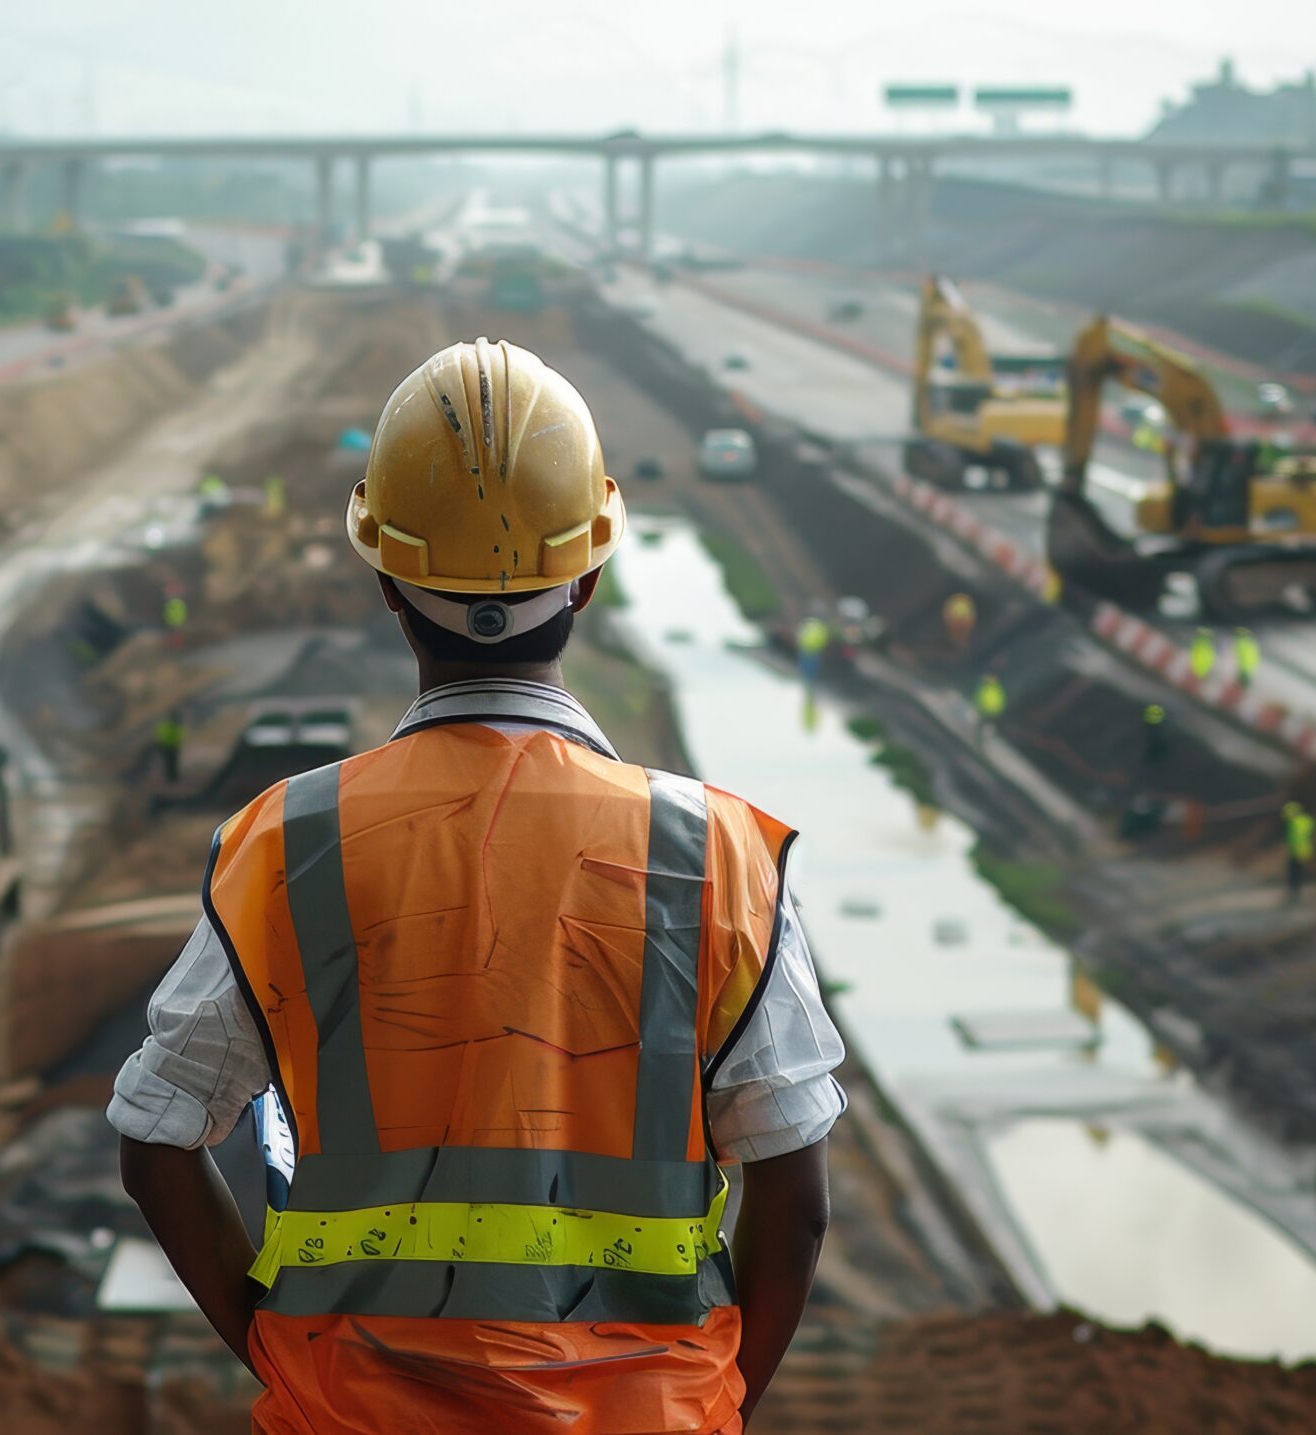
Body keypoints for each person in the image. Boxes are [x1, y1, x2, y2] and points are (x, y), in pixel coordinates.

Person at [110, 339, 845, 1435]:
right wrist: (712, 1401)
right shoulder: (714, 853)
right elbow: (793, 1206)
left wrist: (279, 1353)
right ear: (589, 574)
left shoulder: (284, 843)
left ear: (386, 585)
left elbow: (155, 1139)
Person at [1282, 800, 1315, 900]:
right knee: (1301, 872)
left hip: (1296, 852)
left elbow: (1292, 839)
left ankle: (1295, 892)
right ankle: (1301, 892)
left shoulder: (1293, 823)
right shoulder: (1307, 820)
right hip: (1306, 850)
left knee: (1294, 873)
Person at [796, 612, 831, 687]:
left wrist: (800, 642)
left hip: (806, 648)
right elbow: (824, 641)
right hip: (815, 651)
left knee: (805, 665)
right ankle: (808, 680)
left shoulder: (809, 623)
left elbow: (801, 633)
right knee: (811, 668)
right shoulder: (823, 628)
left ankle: (804, 679)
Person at [153, 708, 186, 785]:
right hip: (171, 746)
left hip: (169, 746)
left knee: (170, 762)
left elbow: (160, 735)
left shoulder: (167, 726)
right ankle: (172, 777)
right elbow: (179, 735)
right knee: (172, 762)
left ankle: (171, 777)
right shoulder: (175, 726)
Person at [975, 670, 1006, 745]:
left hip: (989, 712)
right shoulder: (988, 685)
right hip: (986, 711)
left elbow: (999, 702)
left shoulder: (996, 688)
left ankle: (980, 740)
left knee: (982, 726)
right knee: (980, 726)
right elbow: (980, 695)